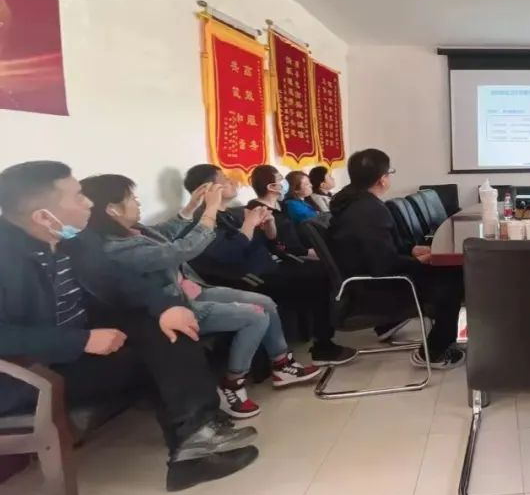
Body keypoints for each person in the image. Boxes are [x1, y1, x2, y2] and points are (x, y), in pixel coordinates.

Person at [0, 161, 258, 491]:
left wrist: (165, 307)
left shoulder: (74, 240)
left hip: (75, 352)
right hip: (30, 375)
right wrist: (80, 341)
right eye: (77, 196)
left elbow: (119, 282)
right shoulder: (6, 258)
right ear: (43, 216)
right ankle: (193, 444)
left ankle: (195, 441)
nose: (88, 203)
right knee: (160, 353)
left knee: (169, 326)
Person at [81, 174, 319, 419]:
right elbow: (181, 250)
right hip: (176, 305)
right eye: (131, 198)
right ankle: (232, 383)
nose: (138, 202)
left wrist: (191, 206)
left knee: (266, 303)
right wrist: (210, 210)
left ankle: (281, 364)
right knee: (255, 316)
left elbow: (166, 232)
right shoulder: (117, 247)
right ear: (112, 209)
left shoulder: (135, 230)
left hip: (192, 288)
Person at [181, 164, 358, 367]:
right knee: (316, 280)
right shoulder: (204, 221)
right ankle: (322, 347)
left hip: (268, 267)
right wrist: (249, 224)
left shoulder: (231, 214)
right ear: (207, 189)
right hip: (247, 277)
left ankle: (326, 338)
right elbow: (230, 254)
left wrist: (269, 227)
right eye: (225, 179)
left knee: (322, 272)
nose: (233, 182)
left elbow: (272, 244)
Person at [329, 149, 465, 369]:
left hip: (364, 280)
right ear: (382, 179)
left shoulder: (353, 202)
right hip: (376, 288)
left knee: (450, 270)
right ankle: (434, 352)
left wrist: (412, 250)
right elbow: (384, 264)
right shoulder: (370, 211)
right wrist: (420, 262)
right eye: (389, 173)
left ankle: (434, 340)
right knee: (452, 281)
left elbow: (381, 248)